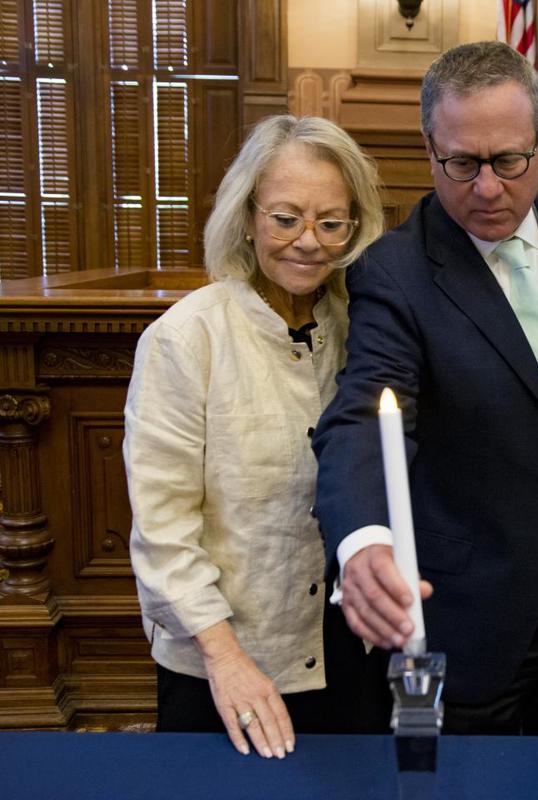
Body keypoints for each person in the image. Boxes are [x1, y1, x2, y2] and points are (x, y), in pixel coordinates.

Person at [311, 41, 538, 736]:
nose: (486, 188)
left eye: (509, 161)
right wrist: (361, 541)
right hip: (470, 609)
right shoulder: (395, 272)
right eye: (460, 163)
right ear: (428, 144)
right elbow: (363, 413)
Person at [124, 115, 389, 759]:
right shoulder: (186, 340)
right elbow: (162, 535)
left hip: (345, 645)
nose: (309, 242)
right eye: (285, 217)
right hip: (226, 657)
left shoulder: (365, 331)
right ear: (247, 215)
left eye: (332, 222)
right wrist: (226, 659)